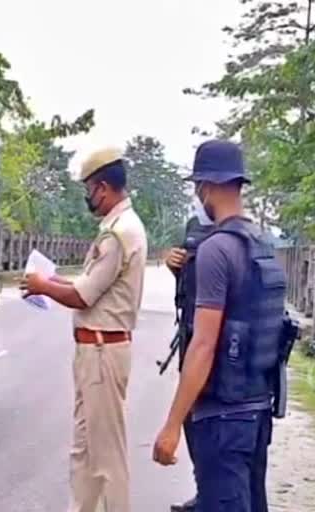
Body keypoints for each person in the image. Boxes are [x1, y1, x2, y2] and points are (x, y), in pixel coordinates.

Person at [153, 139, 288, 511]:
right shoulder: (260, 245)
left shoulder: (216, 248)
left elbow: (203, 345)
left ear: (207, 186)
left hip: (221, 416)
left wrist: (171, 426)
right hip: (256, 410)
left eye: (197, 187)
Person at [21, 147, 148, 512]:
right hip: (94, 351)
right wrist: (50, 279)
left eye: (90, 190)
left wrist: (44, 287)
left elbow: (82, 295)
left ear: (104, 188)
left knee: (107, 456)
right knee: (85, 452)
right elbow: (90, 284)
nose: (88, 198)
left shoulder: (118, 234)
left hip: (103, 353)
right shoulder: (118, 229)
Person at [164, 213, 214, 512]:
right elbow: (190, 287)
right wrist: (176, 268)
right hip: (189, 334)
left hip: (210, 342)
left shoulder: (233, 237)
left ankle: (212, 495)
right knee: (191, 419)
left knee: (208, 420)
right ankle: (204, 491)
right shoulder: (194, 226)